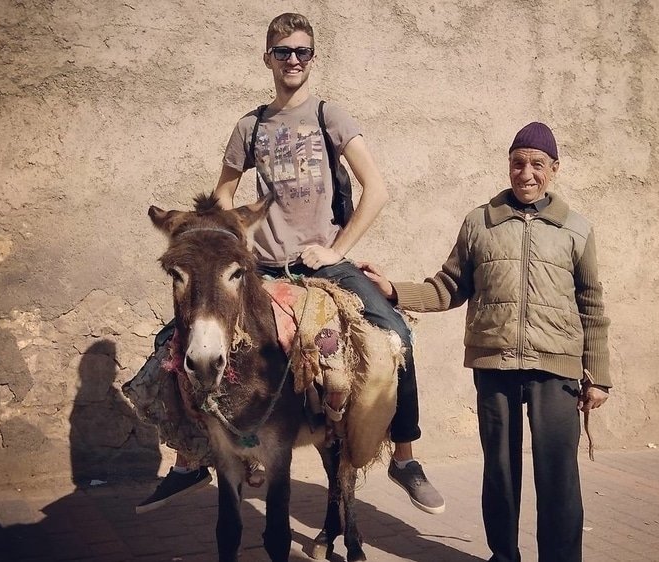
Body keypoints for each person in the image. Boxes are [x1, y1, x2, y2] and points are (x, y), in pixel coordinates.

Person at [136, 12, 444, 515]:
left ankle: (405, 457)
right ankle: (190, 459)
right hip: (264, 268)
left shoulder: (330, 116)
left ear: (312, 58)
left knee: (396, 335)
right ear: (268, 59)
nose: (293, 60)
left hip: (322, 263)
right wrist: (223, 243)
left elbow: (378, 190)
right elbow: (223, 195)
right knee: (173, 342)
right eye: (283, 52)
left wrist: (337, 250)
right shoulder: (249, 126)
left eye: (301, 51)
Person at [361, 122, 612, 562]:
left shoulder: (576, 229)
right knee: (499, 470)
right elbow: (448, 286)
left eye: (537, 164)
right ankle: (504, 555)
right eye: (518, 163)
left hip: (557, 367)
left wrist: (599, 377)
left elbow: (591, 304)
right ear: (508, 166)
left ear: (554, 168)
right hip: (494, 363)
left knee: (558, 474)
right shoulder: (480, 222)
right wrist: (394, 291)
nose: (527, 173)